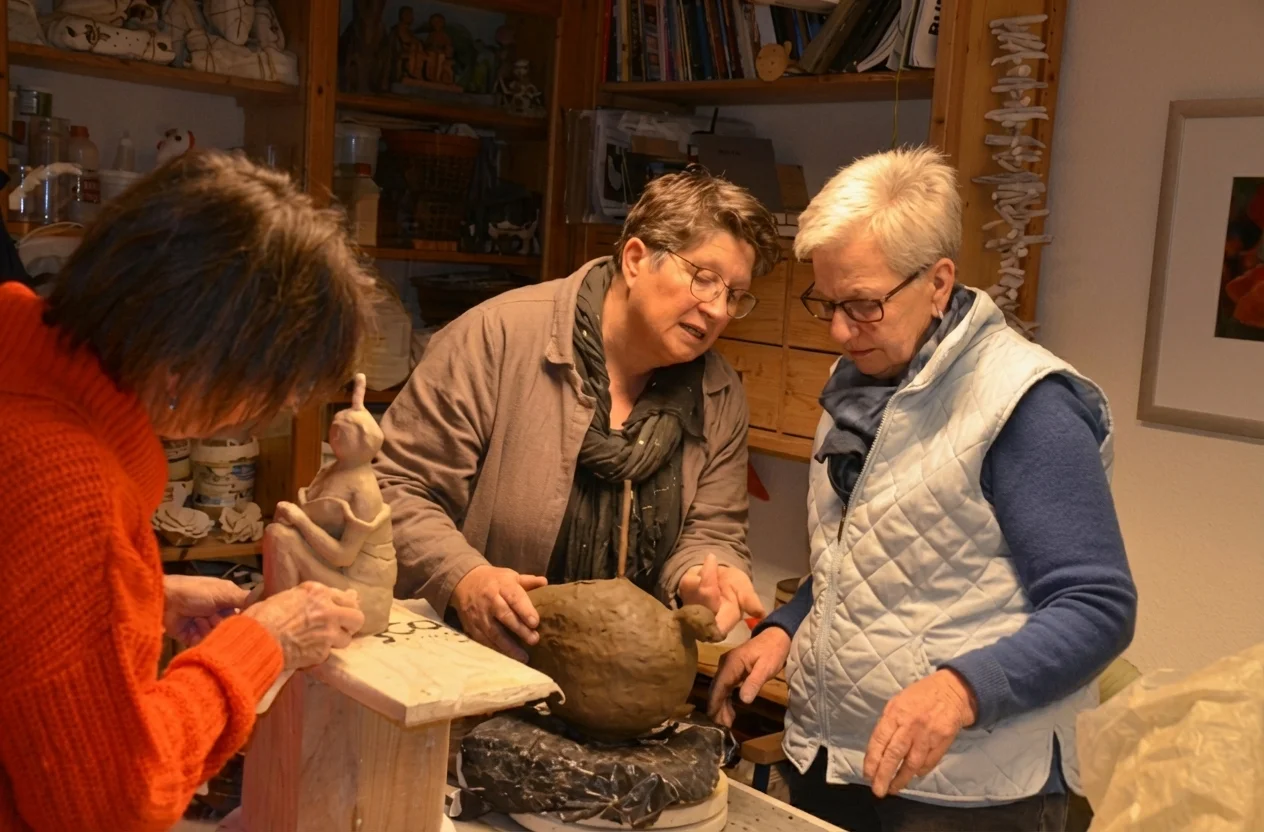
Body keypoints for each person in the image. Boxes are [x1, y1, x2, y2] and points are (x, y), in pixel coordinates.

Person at [708, 147, 1138, 832]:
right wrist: (785, 631)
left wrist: (961, 690)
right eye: (826, 301)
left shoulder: (1027, 405)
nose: (842, 331)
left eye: (865, 305)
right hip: (839, 758)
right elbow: (863, 554)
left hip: (969, 793)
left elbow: (1098, 607)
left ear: (938, 283)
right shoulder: (862, 380)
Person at [0, 151, 376, 831]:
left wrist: (140, 602)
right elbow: (114, 805)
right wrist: (265, 644)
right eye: (267, 391)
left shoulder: (18, 365)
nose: (252, 417)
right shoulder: (70, 485)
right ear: (193, 360)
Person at [375, 170, 781, 661]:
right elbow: (395, 487)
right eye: (704, 279)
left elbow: (712, 530)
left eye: (735, 295)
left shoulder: (718, 392)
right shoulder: (497, 338)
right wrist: (463, 576)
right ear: (635, 260)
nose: (718, 309)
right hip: (477, 662)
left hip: (628, 677)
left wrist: (706, 578)